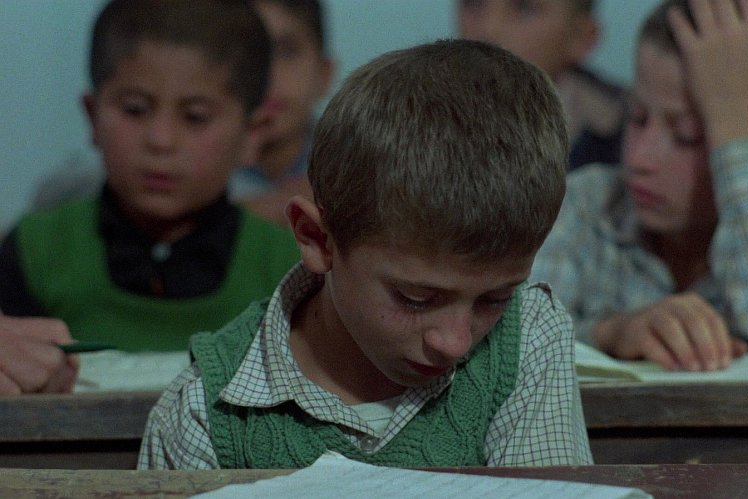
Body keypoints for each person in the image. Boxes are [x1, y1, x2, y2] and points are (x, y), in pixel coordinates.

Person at [139, 39, 592, 469]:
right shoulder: (204, 412)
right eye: (416, 298)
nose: (455, 342)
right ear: (318, 240)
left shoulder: (527, 337)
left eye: (495, 299)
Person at [0, 0, 301, 391]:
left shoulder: (289, 271)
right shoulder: (36, 251)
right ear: (92, 116)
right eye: (135, 109)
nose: (161, 140)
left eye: (195, 117)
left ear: (252, 135)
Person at [532, 0, 748, 370]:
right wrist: (608, 334)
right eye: (637, 117)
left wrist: (735, 117)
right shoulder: (584, 207)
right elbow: (515, 343)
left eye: (687, 136)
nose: (639, 158)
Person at [457, 0, 626, 169]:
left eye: (525, 8)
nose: (488, 30)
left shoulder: (625, 133)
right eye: (474, 3)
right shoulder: (442, 111)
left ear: (579, 36)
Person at [228, 0, 334, 226]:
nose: (267, 72)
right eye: (249, 52)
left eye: (287, 52)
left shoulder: (359, 174)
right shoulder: (181, 169)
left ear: (324, 75)